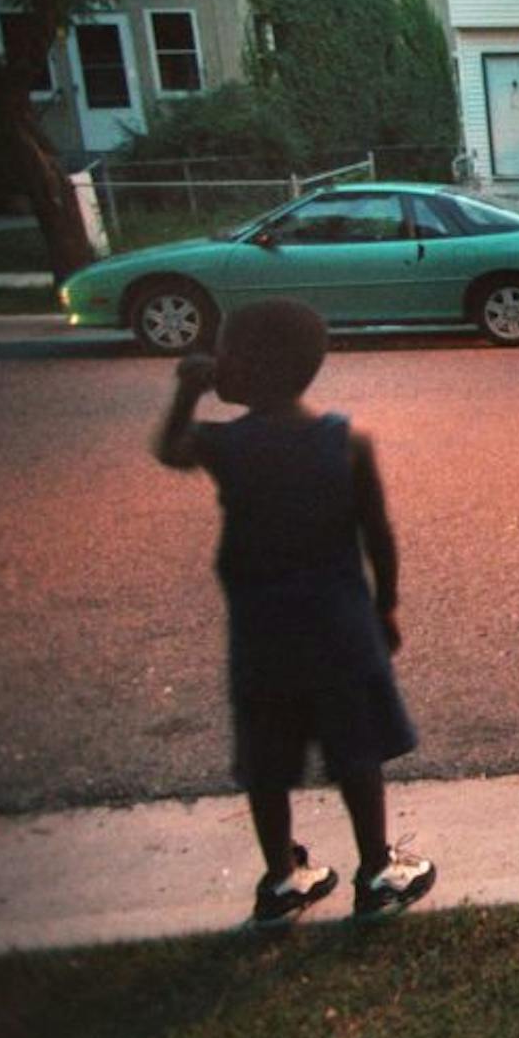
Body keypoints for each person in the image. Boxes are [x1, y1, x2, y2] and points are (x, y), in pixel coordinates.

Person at [154, 299, 437, 928]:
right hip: (341, 627)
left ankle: (282, 879)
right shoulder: (348, 440)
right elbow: (378, 535)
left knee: (268, 761)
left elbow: (169, 449)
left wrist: (187, 391)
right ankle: (377, 869)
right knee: (356, 750)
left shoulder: (227, 443)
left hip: (263, 634)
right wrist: (387, 606)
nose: (215, 360)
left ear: (248, 368)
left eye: (224, 351)